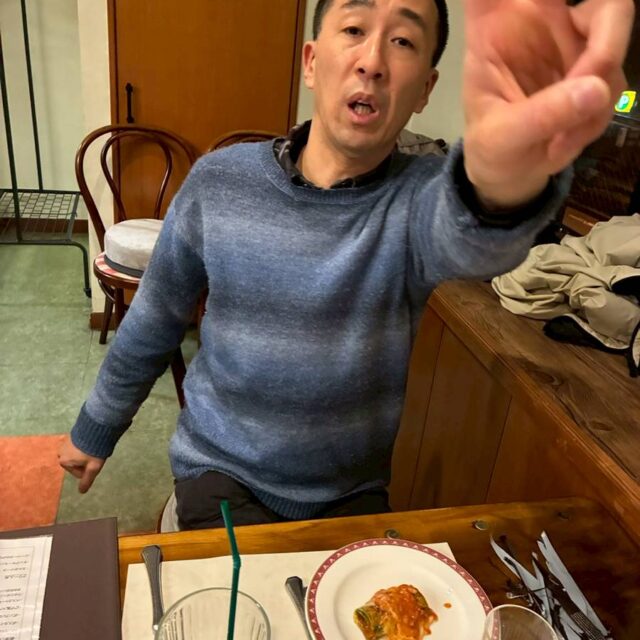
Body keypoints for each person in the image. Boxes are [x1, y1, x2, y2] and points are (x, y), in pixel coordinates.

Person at [59, 0, 634, 529]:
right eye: (355, 29)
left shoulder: (420, 200)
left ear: (426, 89)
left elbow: (479, 234)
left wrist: (509, 160)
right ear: (312, 62)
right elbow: (155, 315)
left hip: (349, 490)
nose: (373, 62)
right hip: (222, 470)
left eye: (404, 41)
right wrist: (97, 427)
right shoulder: (220, 181)